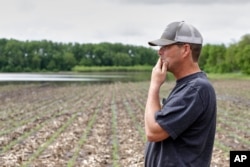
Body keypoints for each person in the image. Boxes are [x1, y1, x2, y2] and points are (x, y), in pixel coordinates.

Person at [144, 21, 217, 167]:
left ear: (185, 49)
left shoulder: (195, 89)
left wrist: (154, 86)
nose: (160, 52)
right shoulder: (187, 86)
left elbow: (153, 132)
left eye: (165, 46)